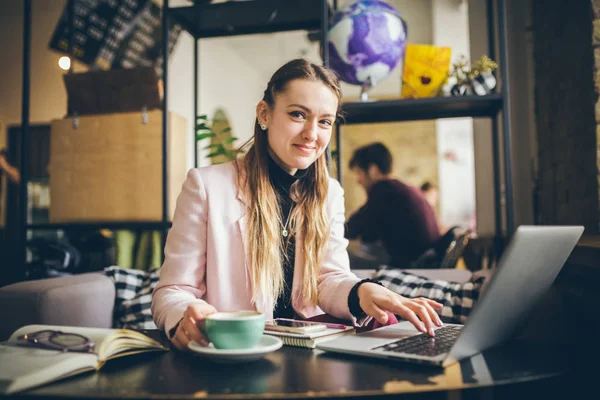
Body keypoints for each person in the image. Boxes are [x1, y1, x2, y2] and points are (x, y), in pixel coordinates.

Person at [151, 59, 444, 351]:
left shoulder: (330, 192)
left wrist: (361, 291)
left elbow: (328, 279)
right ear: (264, 114)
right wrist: (184, 317)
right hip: (234, 352)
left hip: (309, 352)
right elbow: (173, 292)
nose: (312, 134)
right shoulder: (207, 186)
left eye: (325, 121)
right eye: (297, 115)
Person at [345, 143, 441, 268]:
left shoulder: (384, 189)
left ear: (373, 170)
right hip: (427, 258)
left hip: (413, 264)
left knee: (343, 253)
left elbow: (352, 228)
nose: (358, 180)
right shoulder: (400, 189)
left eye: (359, 173)